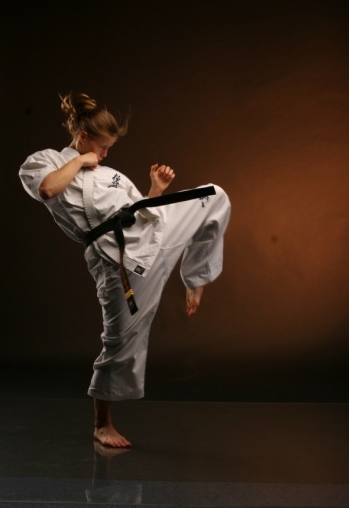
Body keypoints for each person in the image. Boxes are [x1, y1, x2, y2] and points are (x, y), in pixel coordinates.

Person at [19, 91, 231, 448]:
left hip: (150, 234)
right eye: (102, 147)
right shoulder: (45, 161)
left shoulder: (110, 174)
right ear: (83, 137)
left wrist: (155, 190)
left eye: (108, 149)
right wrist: (81, 160)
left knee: (214, 195)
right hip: (116, 258)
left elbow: (139, 212)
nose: (105, 155)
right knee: (120, 340)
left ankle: (196, 277)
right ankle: (102, 424)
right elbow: (47, 190)